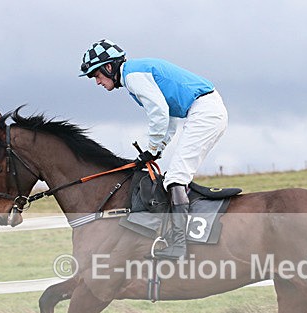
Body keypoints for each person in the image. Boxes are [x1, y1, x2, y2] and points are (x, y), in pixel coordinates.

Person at [80, 39, 228, 260]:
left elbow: (158, 112)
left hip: (205, 111)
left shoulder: (132, 76)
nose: (97, 82)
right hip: (204, 111)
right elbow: (168, 117)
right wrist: (156, 150)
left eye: (96, 75)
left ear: (108, 67)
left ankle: (180, 246)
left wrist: (152, 147)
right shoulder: (133, 74)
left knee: (176, 178)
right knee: (174, 177)